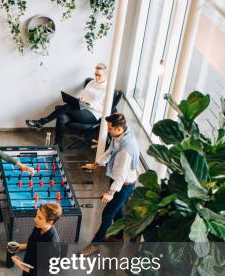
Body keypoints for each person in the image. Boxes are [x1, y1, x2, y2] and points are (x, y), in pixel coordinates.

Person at [81, 113, 139, 255]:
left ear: (119, 129)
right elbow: (109, 152)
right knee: (117, 211)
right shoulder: (119, 136)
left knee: (108, 213)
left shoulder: (126, 150)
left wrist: (110, 193)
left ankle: (95, 244)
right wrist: (95, 165)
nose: (108, 130)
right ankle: (118, 237)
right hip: (117, 180)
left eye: (110, 128)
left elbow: (121, 175)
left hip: (124, 185)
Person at [25, 63, 108, 149]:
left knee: (66, 107)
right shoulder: (91, 82)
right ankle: (58, 145)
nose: (96, 77)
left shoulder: (107, 89)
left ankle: (41, 122)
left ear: (105, 75)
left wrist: (91, 105)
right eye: (95, 74)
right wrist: (80, 100)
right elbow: (84, 95)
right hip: (81, 109)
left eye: (99, 75)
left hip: (92, 114)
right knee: (61, 116)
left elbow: (104, 109)